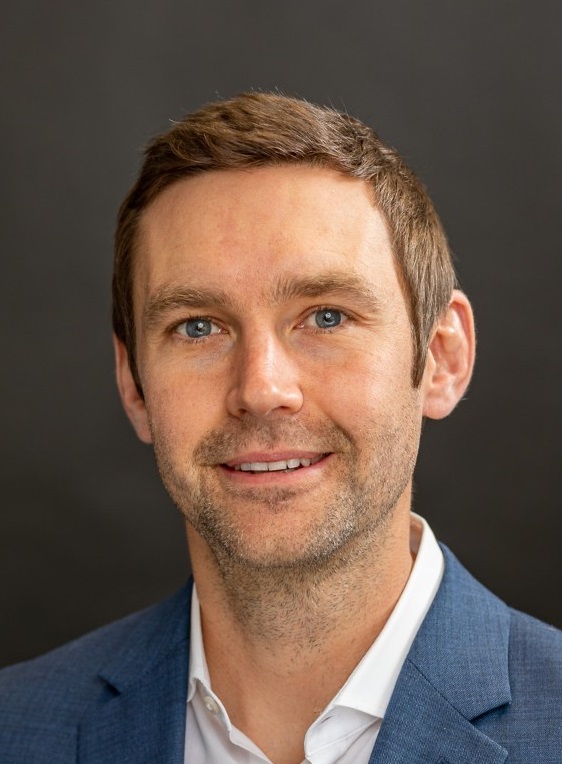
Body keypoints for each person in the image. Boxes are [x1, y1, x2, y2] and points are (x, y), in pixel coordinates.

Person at [1, 92, 560, 764]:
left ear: (442, 358)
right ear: (133, 383)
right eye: (198, 327)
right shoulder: (16, 728)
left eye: (326, 317)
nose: (262, 390)